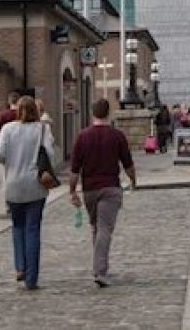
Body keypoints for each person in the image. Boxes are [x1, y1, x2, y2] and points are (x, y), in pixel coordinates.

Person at [69, 98, 136, 288]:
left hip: (90, 189)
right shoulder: (117, 136)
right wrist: (133, 180)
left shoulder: (83, 136)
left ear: (93, 113)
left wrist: (72, 190)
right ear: (108, 113)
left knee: (97, 228)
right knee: (104, 229)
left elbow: (75, 169)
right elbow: (128, 163)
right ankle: (100, 270)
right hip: (110, 187)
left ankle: (100, 265)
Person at [0, 95, 55, 290]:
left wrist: (12, 164)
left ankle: (20, 265)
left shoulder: (8, 129)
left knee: (17, 226)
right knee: (33, 229)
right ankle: (31, 278)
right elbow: (50, 154)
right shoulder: (42, 129)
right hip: (35, 185)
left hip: (13, 184)